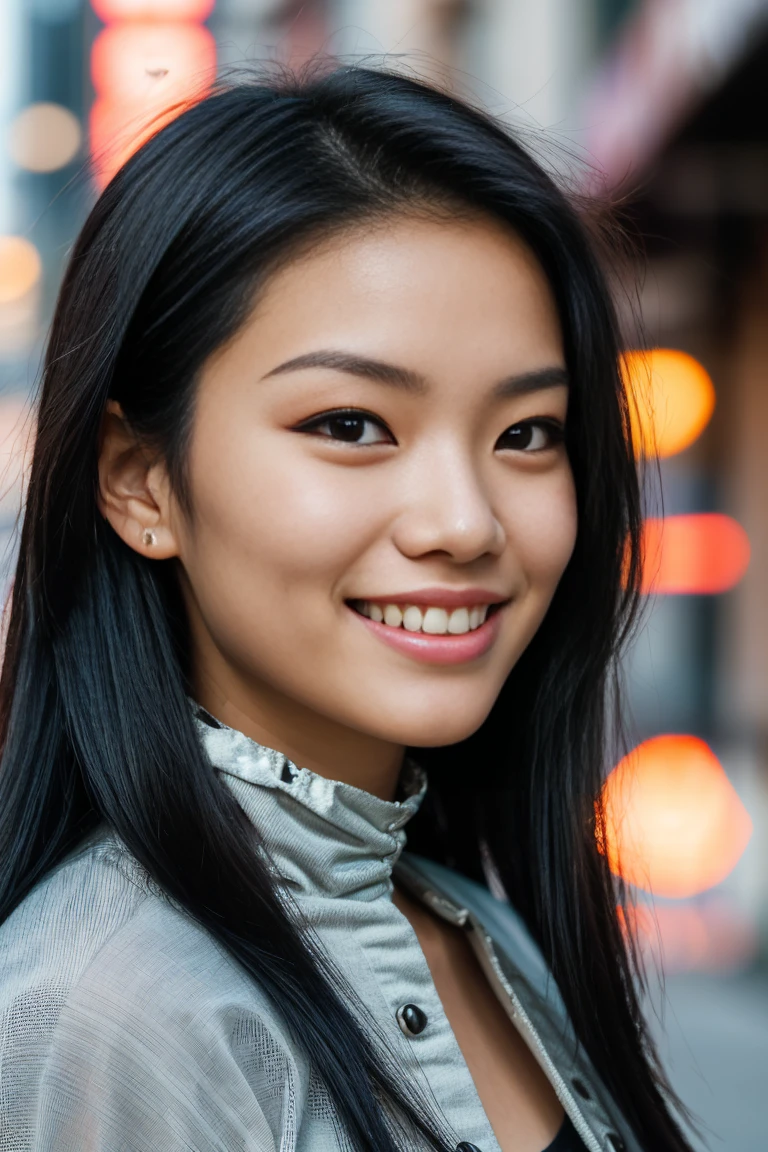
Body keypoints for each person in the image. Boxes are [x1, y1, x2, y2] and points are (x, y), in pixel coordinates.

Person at [0, 66, 692, 1152]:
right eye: (353, 424)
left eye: (526, 434)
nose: (465, 524)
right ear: (141, 481)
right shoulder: (110, 1017)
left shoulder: (490, 934)